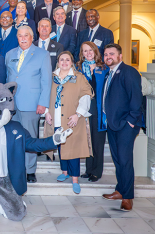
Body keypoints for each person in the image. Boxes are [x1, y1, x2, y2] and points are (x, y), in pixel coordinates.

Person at [5, 26, 52, 183]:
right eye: (20, 36)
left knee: (30, 138)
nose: (23, 38)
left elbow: (46, 81)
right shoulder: (10, 54)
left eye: (26, 35)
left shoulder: (42, 54)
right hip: (12, 105)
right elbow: (9, 78)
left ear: (32, 37)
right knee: (14, 138)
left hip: (31, 103)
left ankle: (30, 170)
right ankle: (17, 169)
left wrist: (43, 103)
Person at [101, 44, 144, 211]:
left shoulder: (129, 72)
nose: (108, 56)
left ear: (120, 56)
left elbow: (136, 97)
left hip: (126, 124)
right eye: (105, 54)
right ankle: (120, 190)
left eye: (111, 54)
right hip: (113, 124)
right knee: (118, 159)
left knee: (125, 160)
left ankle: (127, 197)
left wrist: (131, 120)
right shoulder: (109, 73)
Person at [43, 51, 92, 194]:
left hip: (72, 119)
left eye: (67, 60)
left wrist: (78, 114)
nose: (64, 62)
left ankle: (75, 179)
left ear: (72, 62)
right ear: (58, 62)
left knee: (73, 149)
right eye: (61, 60)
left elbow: (86, 96)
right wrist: (47, 112)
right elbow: (45, 95)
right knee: (60, 146)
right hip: (55, 118)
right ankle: (64, 172)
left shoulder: (79, 77)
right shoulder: (51, 77)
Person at [77, 41, 109, 183]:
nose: (88, 53)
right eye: (85, 51)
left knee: (97, 142)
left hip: (97, 108)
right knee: (87, 140)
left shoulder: (103, 68)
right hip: (83, 108)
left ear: (95, 52)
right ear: (82, 54)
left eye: (91, 50)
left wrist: (93, 71)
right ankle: (88, 169)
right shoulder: (78, 69)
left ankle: (97, 171)